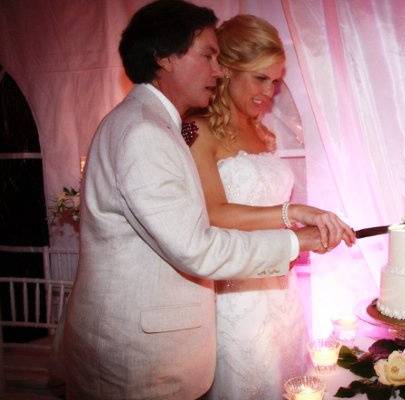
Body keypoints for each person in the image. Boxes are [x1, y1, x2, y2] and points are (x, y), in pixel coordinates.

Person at [61, 2, 345, 399]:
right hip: (138, 358)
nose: (218, 69)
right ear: (163, 57)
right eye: (208, 56)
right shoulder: (144, 132)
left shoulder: (154, 124)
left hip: (170, 339)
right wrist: (301, 240)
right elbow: (196, 247)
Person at [182, 15, 355, 399]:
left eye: (275, 81)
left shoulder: (263, 133)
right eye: (260, 78)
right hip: (233, 303)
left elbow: (264, 218)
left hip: (280, 294)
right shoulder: (198, 130)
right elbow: (211, 214)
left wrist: (307, 238)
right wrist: (291, 214)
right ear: (226, 70)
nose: (269, 91)